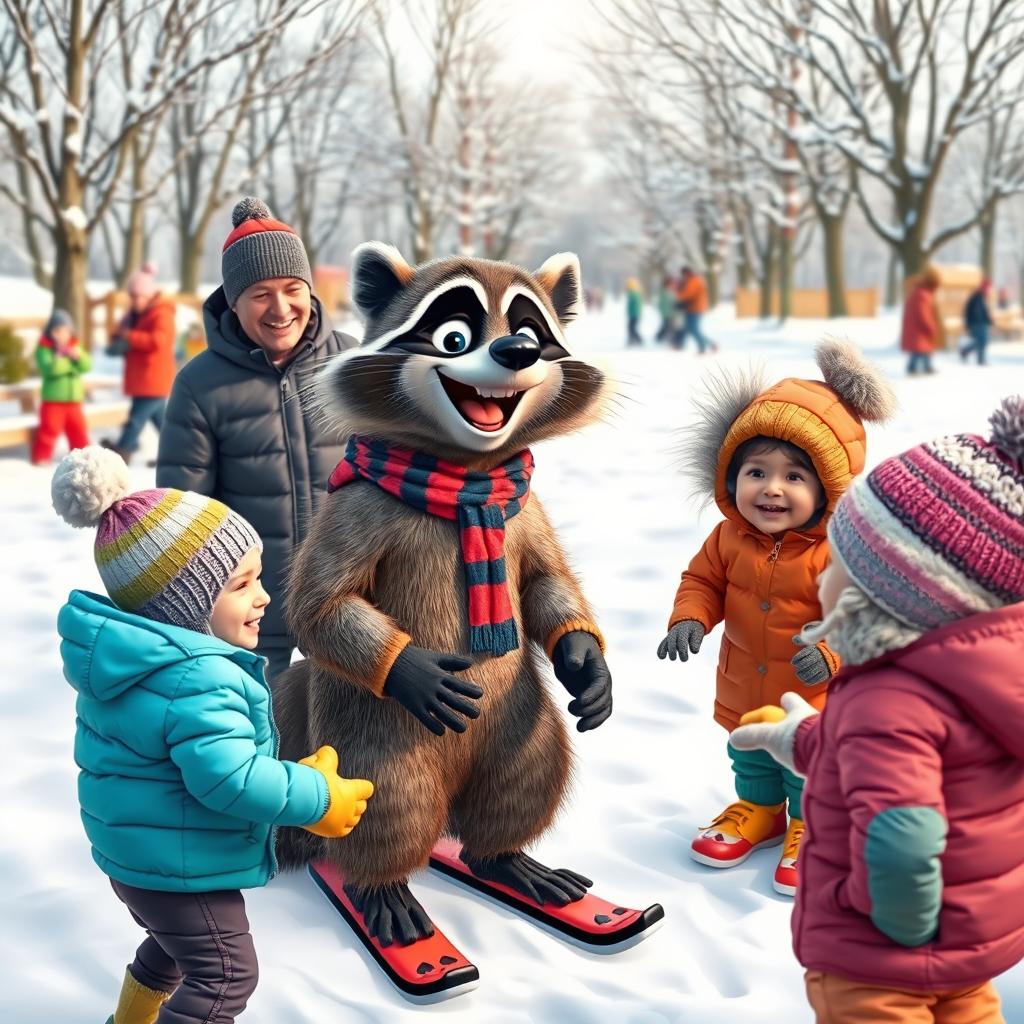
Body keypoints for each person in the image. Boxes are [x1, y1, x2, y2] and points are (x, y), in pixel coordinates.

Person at [51, 446, 374, 1024]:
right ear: (185, 605)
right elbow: (231, 780)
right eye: (241, 585)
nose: (264, 597)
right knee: (226, 976)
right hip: (175, 861)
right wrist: (319, 797)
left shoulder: (137, 657)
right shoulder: (197, 679)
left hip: (143, 855)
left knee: (175, 950)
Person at [731, 395, 1024, 1024]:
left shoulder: (889, 698)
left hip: (881, 962)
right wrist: (798, 739)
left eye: (837, 563)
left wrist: (878, 915)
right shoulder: (981, 678)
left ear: (884, 594)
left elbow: (903, 834)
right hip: (969, 947)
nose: (821, 578)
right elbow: (906, 761)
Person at [657, 341, 894, 895]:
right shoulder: (728, 538)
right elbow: (702, 582)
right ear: (732, 477)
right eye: (756, 471)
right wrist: (689, 618)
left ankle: (812, 825)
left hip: (814, 692)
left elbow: (862, 613)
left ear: (826, 490)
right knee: (751, 749)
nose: (771, 488)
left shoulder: (842, 548)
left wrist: (832, 653)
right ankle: (759, 810)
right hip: (745, 680)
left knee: (807, 763)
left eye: (794, 478)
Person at [157, 197, 358, 682]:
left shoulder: (349, 364)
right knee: (256, 738)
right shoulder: (200, 384)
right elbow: (183, 509)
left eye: (293, 289)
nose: (281, 307)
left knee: (348, 740)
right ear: (233, 300)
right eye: (260, 294)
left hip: (346, 596)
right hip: (247, 607)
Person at [101, 261, 176, 463]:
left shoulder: (162, 313)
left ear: (150, 295)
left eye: (138, 297)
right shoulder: (134, 316)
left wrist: (131, 337)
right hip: (142, 377)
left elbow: (159, 341)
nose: (134, 301)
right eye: (132, 297)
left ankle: (123, 450)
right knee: (161, 422)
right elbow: (121, 333)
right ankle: (178, 452)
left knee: (136, 419)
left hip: (153, 377)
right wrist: (119, 337)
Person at [31, 308, 91, 464]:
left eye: (65, 331)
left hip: (74, 400)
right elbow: (50, 369)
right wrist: (68, 363)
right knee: (48, 431)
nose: (62, 335)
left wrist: (77, 357)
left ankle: (83, 460)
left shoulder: (75, 346)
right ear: (50, 332)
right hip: (53, 400)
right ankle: (41, 458)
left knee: (78, 431)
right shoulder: (44, 349)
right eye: (57, 331)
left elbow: (86, 365)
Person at [901, 265, 941, 376]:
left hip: (915, 328)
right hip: (918, 329)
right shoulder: (923, 295)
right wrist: (931, 327)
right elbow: (924, 315)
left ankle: (925, 366)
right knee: (920, 349)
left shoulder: (917, 292)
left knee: (923, 349)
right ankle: (914, 367)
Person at [673, 266, 712, 353]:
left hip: (696, 308)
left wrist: (680, 301)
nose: (683, 276)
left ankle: (703, 346)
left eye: (683, 274)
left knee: (693, 329)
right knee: (689, 328)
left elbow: (688, 294)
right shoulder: (690, 281)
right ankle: (710, 344)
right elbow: (685, 294)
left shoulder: (694, 280)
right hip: (691, 308)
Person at [961, 277, 993, 365]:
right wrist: (969, 323)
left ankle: (975, 357)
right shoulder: (977, 297)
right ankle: (968, 352)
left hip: (982, 323)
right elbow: (972, 311)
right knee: (980, 341)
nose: (989, 290)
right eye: (987, 288)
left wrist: (989, 320)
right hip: (976, 323)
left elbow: (985, 311)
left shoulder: (983, 297)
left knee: (983, 341)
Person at [656, 275, 678, 342]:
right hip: (667, 313)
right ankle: (661, 337)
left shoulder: (672, 291)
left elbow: (675, 301)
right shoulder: (665, 292)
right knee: (667, 326)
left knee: (668, 326)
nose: (673, 285)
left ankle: (661, 337)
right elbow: (662, 303)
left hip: (671, 313)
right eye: (671, 283)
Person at [625, 276, 644, 345]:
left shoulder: (633, 293)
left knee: (632, 328)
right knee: (631, 328)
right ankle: (632, 339)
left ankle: (638, 340)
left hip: (635, 314)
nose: (626, 287)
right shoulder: (634, 293)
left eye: (628, 285)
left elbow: (635, 304)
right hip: (633, 313)